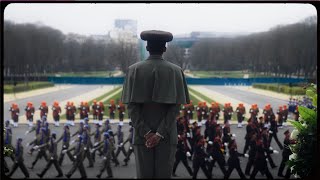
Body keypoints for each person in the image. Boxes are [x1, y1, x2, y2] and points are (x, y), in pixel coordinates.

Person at [121, 30, 189, 179]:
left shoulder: (133, 70)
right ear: (165, 48)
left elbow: (132, 108)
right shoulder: (176, 71)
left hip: (141, 136)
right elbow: (175, 108)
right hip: (167, 136)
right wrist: (159, 134)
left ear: (147, 48)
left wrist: (147, 133)